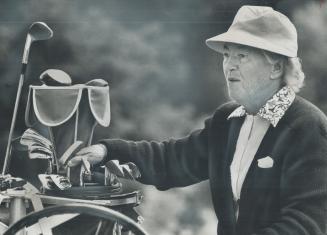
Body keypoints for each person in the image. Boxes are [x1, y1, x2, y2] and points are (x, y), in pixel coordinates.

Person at [66, 5, 327, 235]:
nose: (229, 65)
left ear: (277, 67)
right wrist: (107, 150)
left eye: (242, 55)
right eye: (226, 54)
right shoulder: (228, 121)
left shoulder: (307, 128)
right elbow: (171, 160)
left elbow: (307, 224)